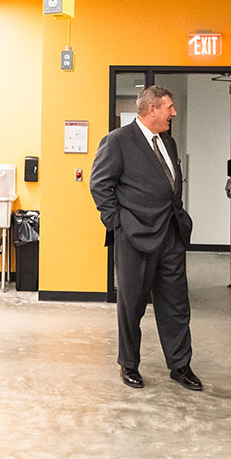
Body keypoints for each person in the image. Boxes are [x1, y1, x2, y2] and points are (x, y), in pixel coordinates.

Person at [89, 86, 200, 392]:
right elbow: (99, 185)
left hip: (171, 235)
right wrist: (118, 223)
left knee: (176, 304)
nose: (173, 113)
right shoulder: (118, 141)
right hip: (134, 237)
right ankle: (129, 364)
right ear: (152, 109)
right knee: (131, 304)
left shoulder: (168, 141)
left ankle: (180, 366)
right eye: (169, 108)